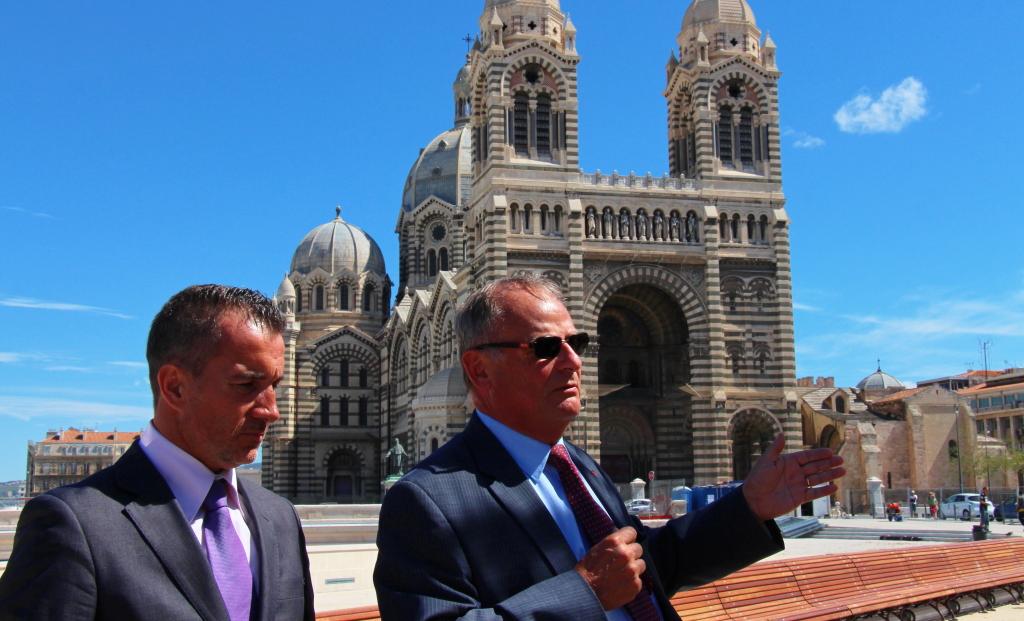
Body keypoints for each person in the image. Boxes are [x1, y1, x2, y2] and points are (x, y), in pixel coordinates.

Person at [374, 271, 844, 620]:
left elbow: (646, 566)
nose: (574, 362)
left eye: (576, 343)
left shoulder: (578, 466)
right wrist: (584, 593)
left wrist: (748, 506)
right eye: (546, 348)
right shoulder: (426, 500)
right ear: (479, 370)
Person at [0, 285, 315, 621]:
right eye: (246, 385)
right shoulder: (70, 524)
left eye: (274, 386)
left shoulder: (279, 518)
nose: (272, 411)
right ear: (175, 387)